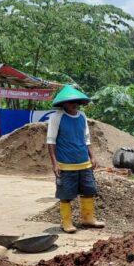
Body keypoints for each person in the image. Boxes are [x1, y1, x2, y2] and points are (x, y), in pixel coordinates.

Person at [46, 84, 105, 234]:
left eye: (76, 102)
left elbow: (86, 138)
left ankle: (88, 219)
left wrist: (92, 156)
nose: (74, 105)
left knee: (89, 190)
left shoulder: (82, 116)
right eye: (71, 102)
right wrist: (54, 163)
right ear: (63, 103)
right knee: (65, 195)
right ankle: (66, 223)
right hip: (65, 164)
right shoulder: (56, 117)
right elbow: (51, 141)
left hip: (84, 162)